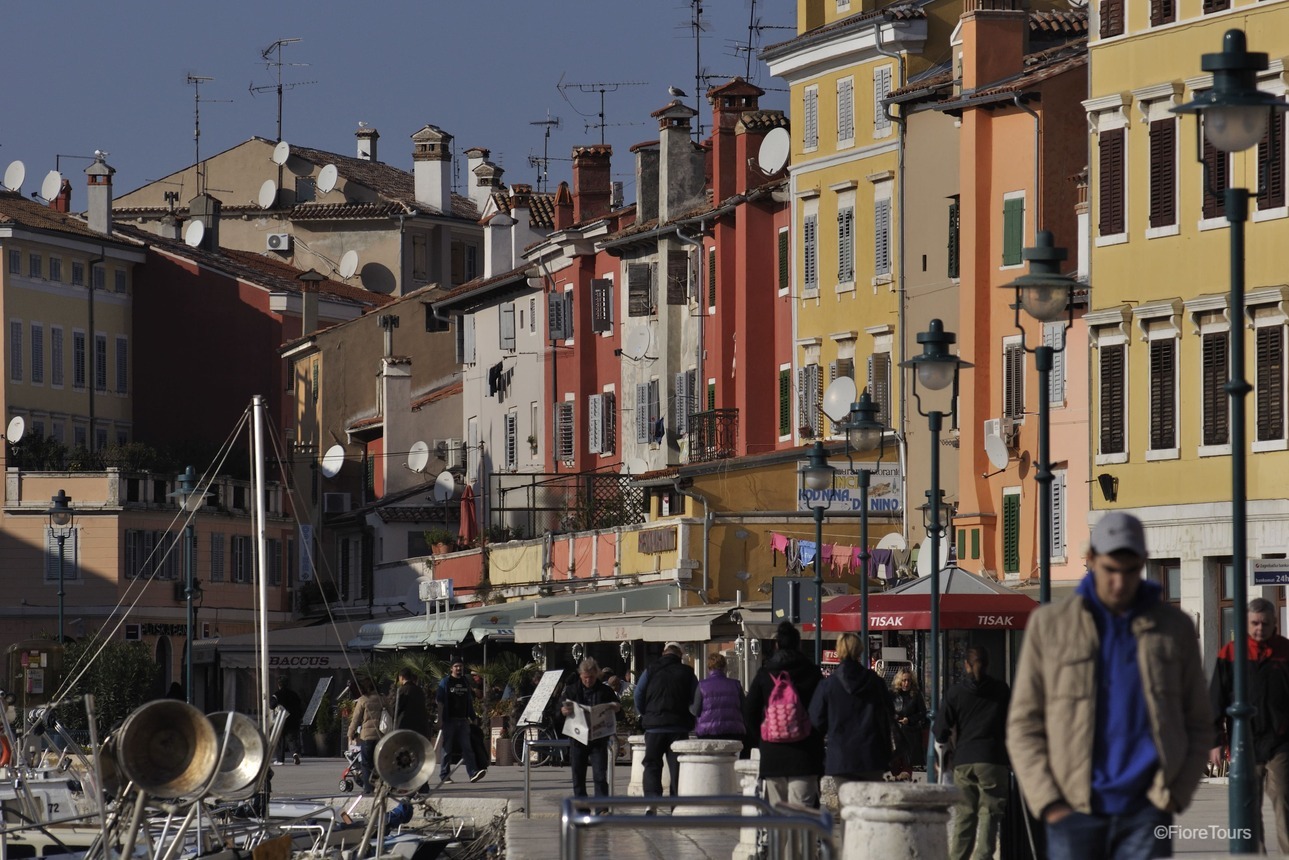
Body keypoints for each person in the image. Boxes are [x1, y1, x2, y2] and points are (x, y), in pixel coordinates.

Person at [1007, 511, 1211, 860]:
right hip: (1072, 810)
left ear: (1143, 564)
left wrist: (1175, 794)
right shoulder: (1050, 625)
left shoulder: (1173, 628)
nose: (1119, 582)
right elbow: (1023, 724)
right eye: (1110, 570)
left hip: (1147, 810)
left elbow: (1199, 720)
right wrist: (1049, 802)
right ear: (1091, 560)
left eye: (1129, 570)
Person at [1209, 597, 1289, 853]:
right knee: (1247, 806)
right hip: (1244, 743)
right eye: (1254, 623)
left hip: (1281, 742)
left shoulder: (1286, 651)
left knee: (1284, 802)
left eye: (1265, 623)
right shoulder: (1231, 653)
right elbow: (1215, 700)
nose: (1259, 629)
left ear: (1274, 623)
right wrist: (1215, 742)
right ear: (1246, 623)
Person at [933, 646, 1011, 860]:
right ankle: (982, 856)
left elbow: (940, 728)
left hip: (964, 759)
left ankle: (957, 856)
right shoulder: (1001, 690)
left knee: (964, 815)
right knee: (990, 813)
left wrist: (944, 753)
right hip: (993, 758)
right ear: (988, 664)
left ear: (966, 665)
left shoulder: (955, 693)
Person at [745, 621, 824, 808]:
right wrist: (816, 736)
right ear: (799, 645)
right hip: (806, 754)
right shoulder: (812, 673)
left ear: (777, 645)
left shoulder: (765, 674)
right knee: (802, 818)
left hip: (773, 754)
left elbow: (749, 711)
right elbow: (823, 711)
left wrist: (762, 738)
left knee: (777, 817)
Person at [808, 632, 897, 784]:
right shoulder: (875, 682)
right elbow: (890, 711)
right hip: (872, 755)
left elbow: (816, 720)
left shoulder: (828, 685)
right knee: (870, 804)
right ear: (860, 650)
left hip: (841, 758)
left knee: (847, 805)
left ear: (838, 650)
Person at [635, 642, 698, 807]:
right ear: (680, 655)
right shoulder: (688, 672)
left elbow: (638, 693)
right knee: (677, 767)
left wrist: (646, 713)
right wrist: (691, 714)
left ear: (664, 653)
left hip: (654, 727)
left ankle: (651, 801)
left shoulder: (650, 670)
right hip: (678, 726)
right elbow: (696, 698)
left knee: (652, 764)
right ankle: (675, 804)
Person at [561, 658, 621, 806]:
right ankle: (582, 809)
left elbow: (619, 711)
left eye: (592, 678)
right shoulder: (571, 690)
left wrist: (616, 707)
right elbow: (558, 711)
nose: (588, 681)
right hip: (577, 738)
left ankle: (602, 808)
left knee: (600, 775)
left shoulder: (605, 691)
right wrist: (563, 711)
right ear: (580, 675)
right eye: (585, 677)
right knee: (578, 776)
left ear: (597, 675)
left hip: (598, 739)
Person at [437, 659, 486, 784]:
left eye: (460, 666)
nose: (459, 668)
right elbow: (440, 702)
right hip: (449, 720)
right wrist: (440, 719)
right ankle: (444, 775)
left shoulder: (465, 682)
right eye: (456, 666)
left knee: (467, 748)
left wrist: (473, 716)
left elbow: (468, 701)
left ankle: (473, 773)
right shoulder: (445, 682)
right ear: (451, 668)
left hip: (463, 720)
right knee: (447, 749)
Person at [691, 652, 748, 758]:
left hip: (707, 733)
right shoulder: (735, 684)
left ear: (709, 668)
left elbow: (695, 710)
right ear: (724, 667)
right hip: (733, 731)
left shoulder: (702, 685)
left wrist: (689, 706)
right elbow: (745, 709)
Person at [347, 677, 384, 794]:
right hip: (381, 736)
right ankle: (380, 786)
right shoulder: (383, 699)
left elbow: (356, 719)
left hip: (367, 736)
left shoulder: (363, 700)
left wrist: (350, 734)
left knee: (366, 763)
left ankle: (368, 788)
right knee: (378, 762)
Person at [891, 668, 928, 772]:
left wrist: (910, 720)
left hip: (911, 731)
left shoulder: (915, 694)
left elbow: (922, 712)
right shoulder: (894, 694)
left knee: (910, 761)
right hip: (897, 730)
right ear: (899, 681)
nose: (906, 683)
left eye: (908, 680)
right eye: (903, 680)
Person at [271, 677, 304, 765]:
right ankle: (295, 753)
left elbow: (271, 705)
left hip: (281, 719)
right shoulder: (294, 694)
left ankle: (280, 760)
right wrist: (300, 717)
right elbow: (300, 707)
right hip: (293, 719)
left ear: (278, 685)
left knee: (280, 739)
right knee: (292, 739)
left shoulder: (277, 694)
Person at [392, 667, 430, 737]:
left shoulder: (402, 690)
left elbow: (396, 708)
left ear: (401, 677)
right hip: (420, 727)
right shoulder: (419, 690)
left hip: (405, 726)